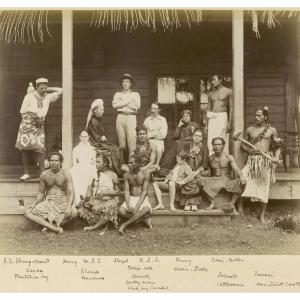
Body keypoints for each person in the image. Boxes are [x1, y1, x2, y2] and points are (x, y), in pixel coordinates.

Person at [15, 78, 62, 180]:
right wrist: (34, 118)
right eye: (42, 88)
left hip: (39, 125)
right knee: (24, 148)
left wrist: (48, 88)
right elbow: (22, 112)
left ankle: (42, 173)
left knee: (40, 148)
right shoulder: (29, 96)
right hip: (27, 125)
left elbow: (61, 91)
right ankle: (26, 173)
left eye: (45, 87)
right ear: (36, 88)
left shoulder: (47, 97)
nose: (44, 90)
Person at [240, 107, 281, 224]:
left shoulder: (272, 130)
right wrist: (250, 151)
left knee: (264, 185)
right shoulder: (250, 130)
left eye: (259, 115)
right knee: (242, 177)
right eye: (255, 115)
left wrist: (276, 157)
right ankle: (240, 208)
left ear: (265, 117)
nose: (256, 117)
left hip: (265, 160)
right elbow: (242, 145)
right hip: (252, 160)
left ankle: (261, 215)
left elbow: (277, 146)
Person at [24, 152, 76, 234]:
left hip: (63, 201)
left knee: (75, 212)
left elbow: (71, 192)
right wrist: (34, 203)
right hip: (49, 202)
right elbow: (41, 193)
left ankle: (48, 226)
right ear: (49, 162)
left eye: (56, 160)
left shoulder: (66, 174)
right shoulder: (44, 174)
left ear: (60, 162)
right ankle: (55, 229)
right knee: (27, 212)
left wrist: (68, 207)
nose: (54, 162)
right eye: (52, 160)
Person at [197, 137, 246, 212]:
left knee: (242, 182)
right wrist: (201, 172)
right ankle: (212, 202)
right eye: (215, 144)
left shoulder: (228, 157)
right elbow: (208, 171)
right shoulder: (210, 158)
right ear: (212, 146)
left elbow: (236, 169)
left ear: (223, 145)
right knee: (199, 180)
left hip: (226, 179)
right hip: (214, 179)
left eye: (219, 144)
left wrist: (241, 176)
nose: (217, 146)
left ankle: (231, 204)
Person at [78, 154, 121, 233]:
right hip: (96, 200)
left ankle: (94, 227)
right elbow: (90, 188)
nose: (96, 164)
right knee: (80, 205)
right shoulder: (94, 174)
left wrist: (106, 193)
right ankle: (104, 222)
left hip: (109, 199)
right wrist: (87, 198)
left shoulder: (112, 175)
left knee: (111, 208)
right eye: (96, 162)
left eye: (99, 162)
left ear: (105, 163)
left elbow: (118, 192)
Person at [118, 154, 152, 235]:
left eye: (131, 163)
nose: (128, 165)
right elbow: (126, 191)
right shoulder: (126, 175)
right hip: (131, 198)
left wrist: (136, 207)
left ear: (138, 164)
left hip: (141, 198)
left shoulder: (146, 174)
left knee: (146, 209)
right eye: (128, 163)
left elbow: (144, 192)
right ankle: (143, 219)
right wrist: (128, 205)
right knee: (121, 211)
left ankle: (125, 224)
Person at [86, 98, 121, 175]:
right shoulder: (93, 121)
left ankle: (117, 169)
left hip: (99, 141)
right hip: (95, 142)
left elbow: (101, 133)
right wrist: (102, 138)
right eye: (101, 110)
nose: (103, 111)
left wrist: (103, 136)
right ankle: (117, 170)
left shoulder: (98, 119)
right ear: (95, 111)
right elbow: (95, 136)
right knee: (114, 149)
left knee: (116, 148)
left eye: (103, 109)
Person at [159, 110, 199, 176]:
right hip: (181, 145)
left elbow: (196, 136)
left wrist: (184, 139)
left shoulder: (194, 125)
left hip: (191, 144)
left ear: (190, 117)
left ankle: (165, 170)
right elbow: (175, 136)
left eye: (188, 116)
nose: (186, 118)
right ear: (182, 118)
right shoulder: (181, 126)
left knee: (177, 144)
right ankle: (165, 170)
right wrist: (179, 126)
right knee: (172, 148)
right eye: (184, 116)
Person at [112, 73, 141, 163]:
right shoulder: (117, 94)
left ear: (131, 83)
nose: (125, 83)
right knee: (122, 143)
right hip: (120, 116)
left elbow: (136, 106)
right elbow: (115, 105)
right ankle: (122, 164)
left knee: (132, 141)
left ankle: (131, 163)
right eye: (123, 81)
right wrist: (129, 101)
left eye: (127, 81)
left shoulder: (136, 94)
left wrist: (122, 102)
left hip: (131, 117)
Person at [179, 129, 209, 210]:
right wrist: (188, 170)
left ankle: (193, 203)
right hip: (187, 169)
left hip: (199, 170)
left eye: (200, 136)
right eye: (196, 135)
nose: (197, 138)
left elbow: (205, 163)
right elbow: (182, 158)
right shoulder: (187, 146)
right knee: (187, 177)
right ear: (192, 137)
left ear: (202, 138)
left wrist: (196, 172)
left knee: (195, 178)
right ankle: (187, 203)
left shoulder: (204, 148)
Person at [205, 74, 233, 156]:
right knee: (211, 140)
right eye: (211, 80)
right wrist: (206, 125)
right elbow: (208, 109)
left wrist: (229, 123)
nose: (212, 82)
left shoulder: (228, 91)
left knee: (222, 139)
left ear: (220, 80)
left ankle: (223, 161)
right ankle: (212, 161)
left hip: (222, 117)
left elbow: (231, 108)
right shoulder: (210, 93)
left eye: (214, 79)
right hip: (212, 117)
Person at [69, 129, 96, 207]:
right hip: (79, 168)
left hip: (90, 168)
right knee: (77, 183)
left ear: (88, 137)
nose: (84, 138)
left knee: (89, 184)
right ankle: (79, 203)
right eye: (82, 137)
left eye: (86, 136)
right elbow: (74, 162)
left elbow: (94, 161)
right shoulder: (76, 149)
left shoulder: (92, 149)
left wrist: (93, 169)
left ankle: (88, 203)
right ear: (80, 137)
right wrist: (77, 169)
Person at [143, 102, 168, 169]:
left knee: (159, 149)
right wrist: (156, 132)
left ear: (159, 110)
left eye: (155, 109)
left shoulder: (163, 119)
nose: (152, 110)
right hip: (149, 141)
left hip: (159, 141)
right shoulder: (147, 120)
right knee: (150, 149)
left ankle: (157, 164)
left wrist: (151, 133)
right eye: (151, 108)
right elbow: (145, 134)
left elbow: (163, 135)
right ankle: (148, 165)